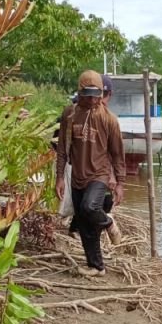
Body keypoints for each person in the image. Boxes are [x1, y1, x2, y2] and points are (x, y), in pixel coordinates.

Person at [55, 70, 126, 277]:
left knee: (89, 207)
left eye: (96, 93)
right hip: (77, 176)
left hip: (99, 175)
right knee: (85, 226)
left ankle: (109, 222)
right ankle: (96, 266)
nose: (92, 98)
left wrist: (120, 182)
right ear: (80, 91)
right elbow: (61, 150)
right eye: (87, 93)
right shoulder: (69, 114)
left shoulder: (109, 120)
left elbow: (117, 154)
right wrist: (59, 177)